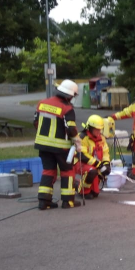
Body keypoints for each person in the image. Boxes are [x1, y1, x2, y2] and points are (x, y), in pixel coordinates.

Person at [35, 79, 80, 209]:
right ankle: (68, 201)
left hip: (43, 145)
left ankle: (44, 202)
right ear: (70, 95)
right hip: (61, 148)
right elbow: (71, 129)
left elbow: (36, 123)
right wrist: (77, 141)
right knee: (67, 172)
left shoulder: (41, 103)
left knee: (48, 171)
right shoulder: (67, 108)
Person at [74, 115, 111, 200]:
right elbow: (82, 155)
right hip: (80, 163)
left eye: (100, 129)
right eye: (96, 129)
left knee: (95, 193)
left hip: (94, 164)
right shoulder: (82, 137)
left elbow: (105, 152)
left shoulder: (101, 138)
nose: (99, 131)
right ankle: (83, 191)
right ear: (90, 128)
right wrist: (98, 164)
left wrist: (106, 164)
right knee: (92, 171)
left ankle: (77, 184)